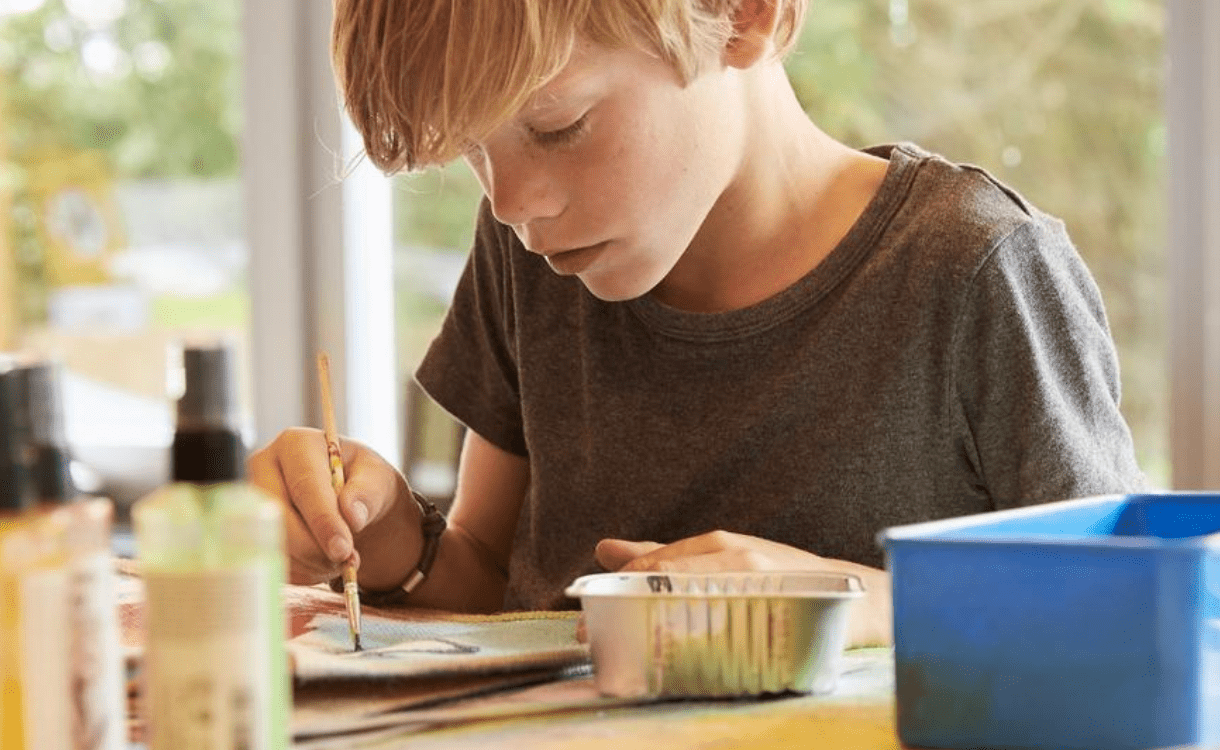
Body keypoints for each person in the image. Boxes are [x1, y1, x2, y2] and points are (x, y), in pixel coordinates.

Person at [247, 0, 1144, 648]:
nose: (514, 203)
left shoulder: (975, 269)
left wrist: (863, 601)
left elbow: (1126, 612)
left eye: (558, 126)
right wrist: (391, 535)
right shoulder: (529, 258)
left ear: (743, 16)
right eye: (474, 150)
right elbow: (490, 574)